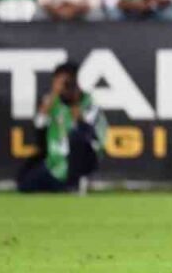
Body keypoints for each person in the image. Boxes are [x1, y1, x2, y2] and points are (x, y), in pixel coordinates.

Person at [17, 62, 107, 193]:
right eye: (57, 83)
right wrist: (48, 105)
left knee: (77, 137)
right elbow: (39, 125)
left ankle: (76, 182)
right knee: (25, 185)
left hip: (82, 160)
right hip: (55, 162)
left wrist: (75, 106)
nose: (61, 87)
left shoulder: (88, 103)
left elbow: (88, 135)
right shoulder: (53, 102)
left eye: (65, 83)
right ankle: (59, 186)